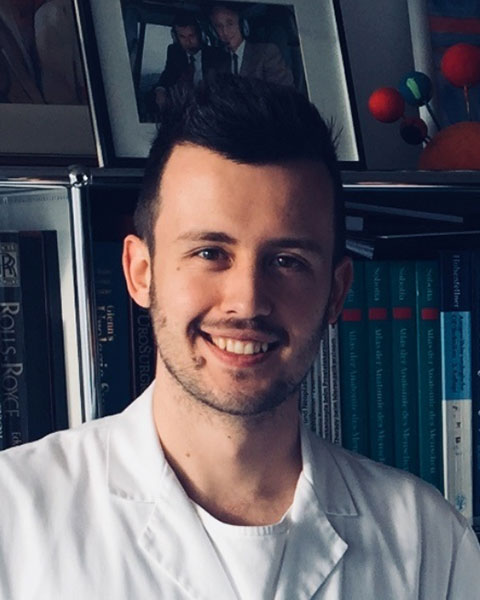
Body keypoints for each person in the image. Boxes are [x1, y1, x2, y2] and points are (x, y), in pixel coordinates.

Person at [0, 76, 479, 599]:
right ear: (141, 272)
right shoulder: (14, 517)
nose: (247, 301)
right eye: (210, 253)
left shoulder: (428, 541)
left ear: (337, 292)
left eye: (287, 261)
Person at [152, 13, 228, 110]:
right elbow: (167, 75)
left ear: (200, 34)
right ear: (176, 38)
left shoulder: (217, 55)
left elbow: (222, 87)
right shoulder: (174, 52)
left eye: (191, 36)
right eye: (182, 37)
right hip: (182, 106)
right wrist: (160, 89)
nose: (188, 41)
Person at [209, 3, 294, 87]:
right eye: (219, 26)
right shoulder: (219, 65)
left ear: (243, 25)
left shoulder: (267, 52)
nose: (225, 32)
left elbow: (284, 91)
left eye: (230, 23)